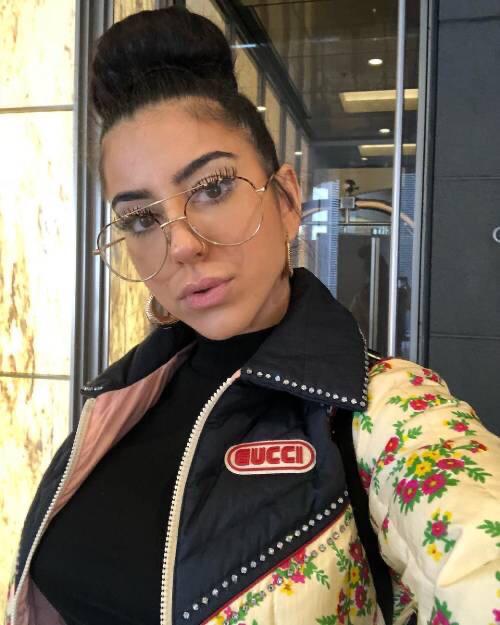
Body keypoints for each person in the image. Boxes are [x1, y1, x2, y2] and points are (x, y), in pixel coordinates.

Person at [6, 7, 499, 625]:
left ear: (287, 199)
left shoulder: (383, 413)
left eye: (212, 188)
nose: (181, 245)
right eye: (140, 218)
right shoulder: (119, 399)